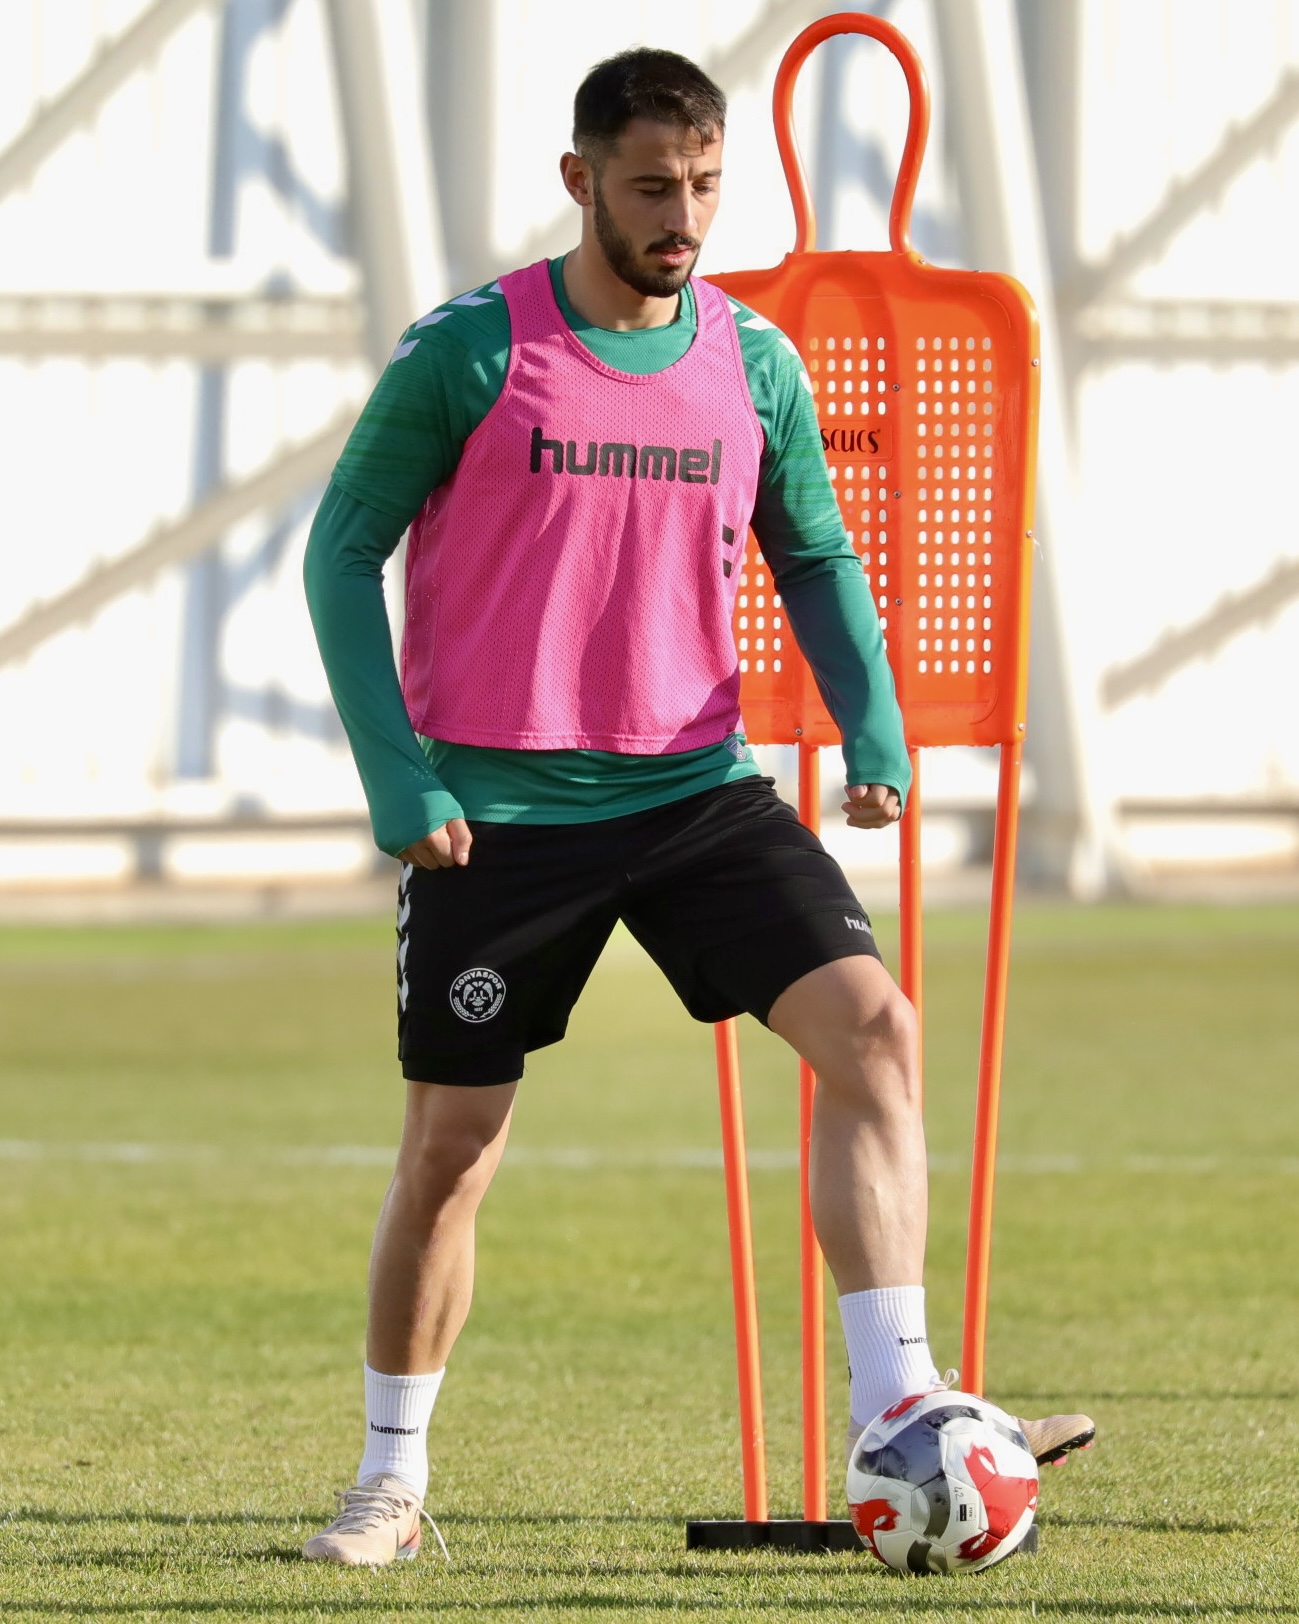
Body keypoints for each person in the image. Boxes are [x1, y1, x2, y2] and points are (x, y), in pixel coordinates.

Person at [300, 47, 1093, 1567]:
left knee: (877, 1032)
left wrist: (871, 722)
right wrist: (399, 776)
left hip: (695, 790)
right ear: (580, 180)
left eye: (706, 186)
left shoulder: (755, 361)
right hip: (497, 811)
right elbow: (341, 554)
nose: (683, 216)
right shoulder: (467, 353)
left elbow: (817, 553)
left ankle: (899, 1406)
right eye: (654, 185)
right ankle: (391, 1480)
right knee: (454, 1145)